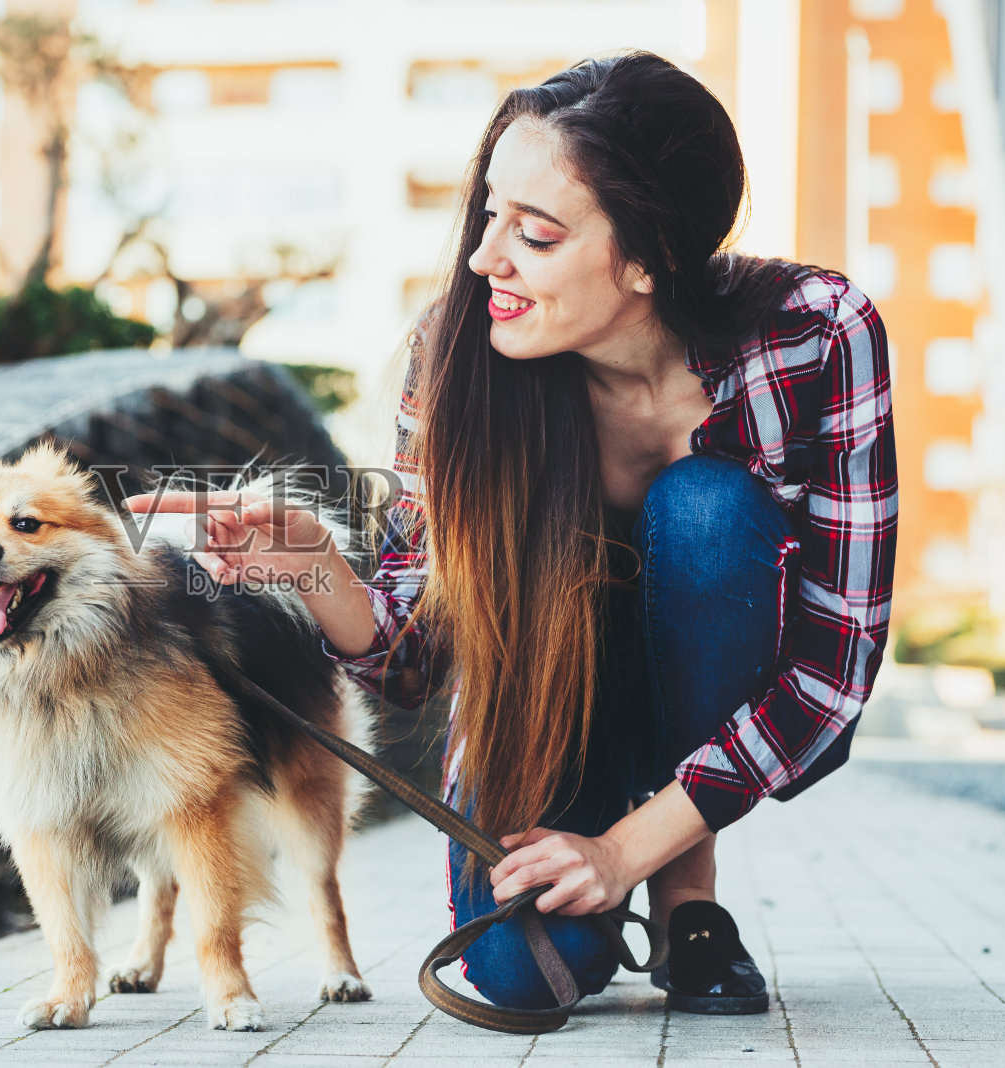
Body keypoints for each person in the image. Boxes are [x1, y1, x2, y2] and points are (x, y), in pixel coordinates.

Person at [126, 50, 897, 1016]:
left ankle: (687, 907)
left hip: (722, 672)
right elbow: (415, 663)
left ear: (649, 257)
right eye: (490, 213)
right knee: (525, 976)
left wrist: (622, 852)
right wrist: (316, 565)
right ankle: (618, 866)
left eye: (534, 234)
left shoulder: (817, 335)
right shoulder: (452, 360)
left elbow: (834, 664)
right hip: (549, 692)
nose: (486, 255)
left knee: (703, 507)